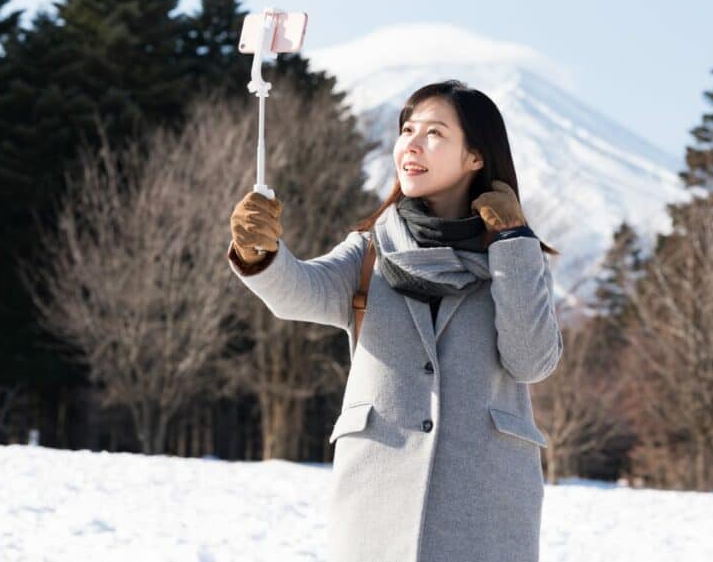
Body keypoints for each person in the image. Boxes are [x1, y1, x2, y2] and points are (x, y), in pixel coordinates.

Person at [226, 79, 563, 562]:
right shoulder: (368, 251)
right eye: (407, 129)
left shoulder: (516, 261)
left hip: (485, 512)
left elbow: (530, 360)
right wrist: (256, 252)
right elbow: (298, 292)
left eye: (435, 133)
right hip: (376, 506)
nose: (412, 143)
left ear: (476, 157)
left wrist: (512, 240)